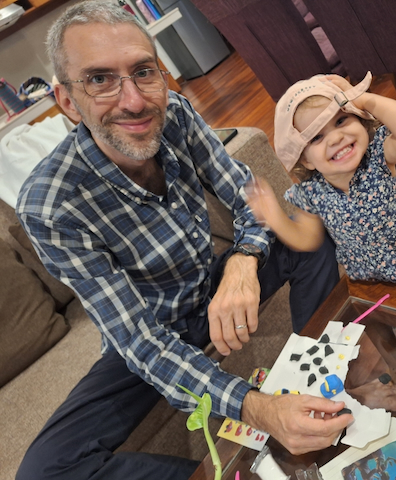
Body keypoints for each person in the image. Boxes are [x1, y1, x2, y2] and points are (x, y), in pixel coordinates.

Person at [14, 1, 349, 478]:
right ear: (67, 100)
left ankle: (319, 373)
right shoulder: (49, 204)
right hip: (148, 329)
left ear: (161, 73)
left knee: (304, 232)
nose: (134, 101)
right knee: (44, 470)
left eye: (142, 72)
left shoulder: (176, 114)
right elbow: (141, 342)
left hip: (205, 287)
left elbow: (250, 198)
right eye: (100, 79)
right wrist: (257, 408)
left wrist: (243, 260)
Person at [247, 73, 396, 351]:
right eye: (317, 136)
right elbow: (307, 239)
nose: (336, 137)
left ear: (359, 119)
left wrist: (364, 99)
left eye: (341, 120)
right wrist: (275, 218)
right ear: (305, 159)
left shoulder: (378, 156)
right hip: (374, 283)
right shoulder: (312, 193)